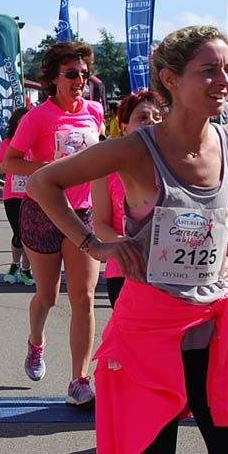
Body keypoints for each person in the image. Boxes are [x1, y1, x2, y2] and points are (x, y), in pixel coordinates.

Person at [28, 25, 228, 454]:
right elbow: (44, 182)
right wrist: (95, 244)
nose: (224, 80)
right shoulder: (137, 150)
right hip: (151, 332)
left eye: (227, 68)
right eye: (209, 71)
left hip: (214, 327)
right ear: (171, 80)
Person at [0, 41, 104, 404]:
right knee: (47, 295)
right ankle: (36, 342)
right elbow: (9, 163)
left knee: (84, 297)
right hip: (42, 212)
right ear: (54, 79)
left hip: (82, 214)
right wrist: (46, 169)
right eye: (72, 74)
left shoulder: (95, 112)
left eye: (85, 74)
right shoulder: (37, 118)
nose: (80, 81)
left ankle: (80, 379)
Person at [91, 90, 164, 307]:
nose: (151, 122)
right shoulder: (106, 170)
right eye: (142, 117)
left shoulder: (178, 166)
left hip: (170, 271)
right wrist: (127, 245)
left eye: (158, 117)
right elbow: (100, 225)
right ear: (124, 127)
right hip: (125, 269)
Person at [0, 106, 34, 285]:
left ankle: (25, 269)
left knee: (29, 234)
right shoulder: (8, 143)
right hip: (12, 195)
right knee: (19, 232)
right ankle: (15, 265)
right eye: (22, 122)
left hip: (34, 194)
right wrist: (7, 165)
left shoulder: (37, 142)